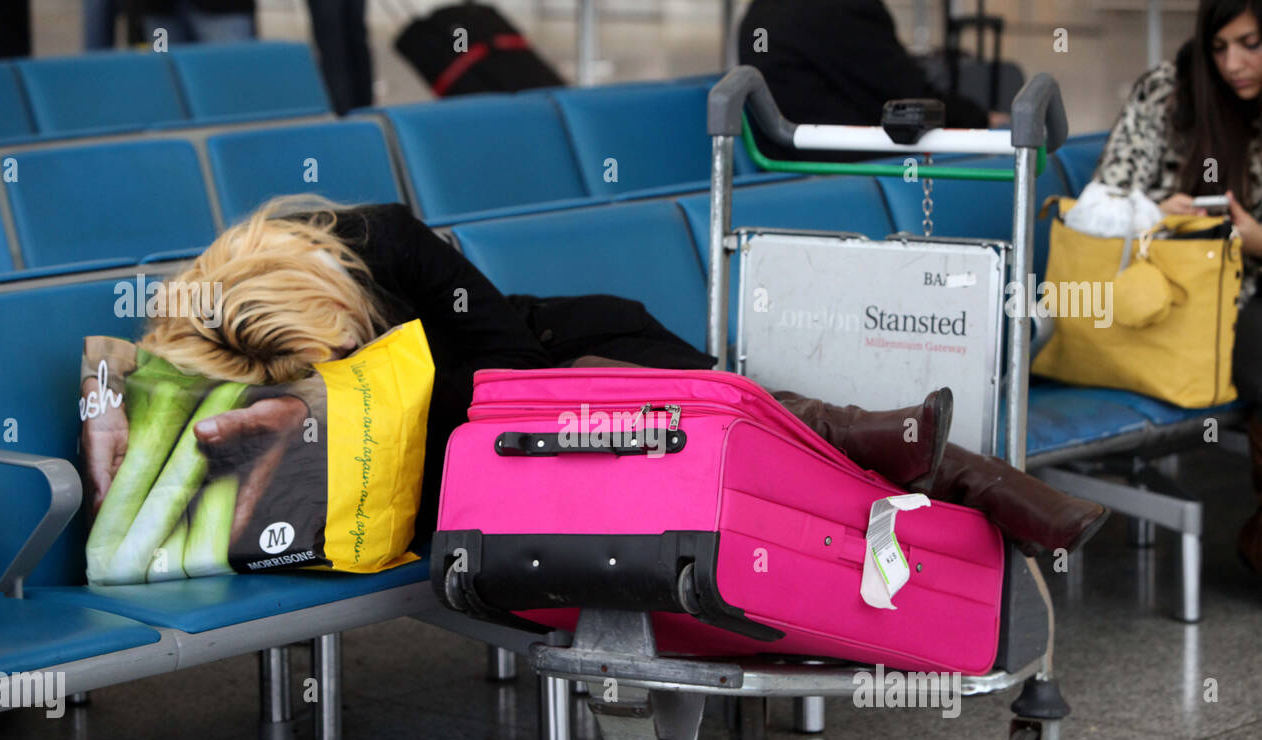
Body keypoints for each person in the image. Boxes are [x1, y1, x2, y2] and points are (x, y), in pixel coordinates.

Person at [86, 198, 1105, 558]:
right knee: (657, 408)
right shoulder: (212, 338)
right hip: (484, 453)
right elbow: (113, 359)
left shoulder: (379, 243)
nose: (351, 362)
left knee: (612, 389)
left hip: (536, 373)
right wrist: (103, 391)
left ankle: (918, 460)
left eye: (349, 342)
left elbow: (508, 368)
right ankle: (929, 459)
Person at [1095, 0, 1262, 572]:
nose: (1234, 64)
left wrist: (1252, 239)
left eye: (1251, 45)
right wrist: (1152, 212)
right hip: (1176, 300)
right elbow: (1101, 205)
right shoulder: (1168, 92)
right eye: (1220, 48)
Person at [737, 0, 1006, 163]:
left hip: (786, 160)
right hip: (850, 170)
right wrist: (982, 120)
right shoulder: (844, 10)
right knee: (1016, 158)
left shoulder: (762, 10)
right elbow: (909, 100)